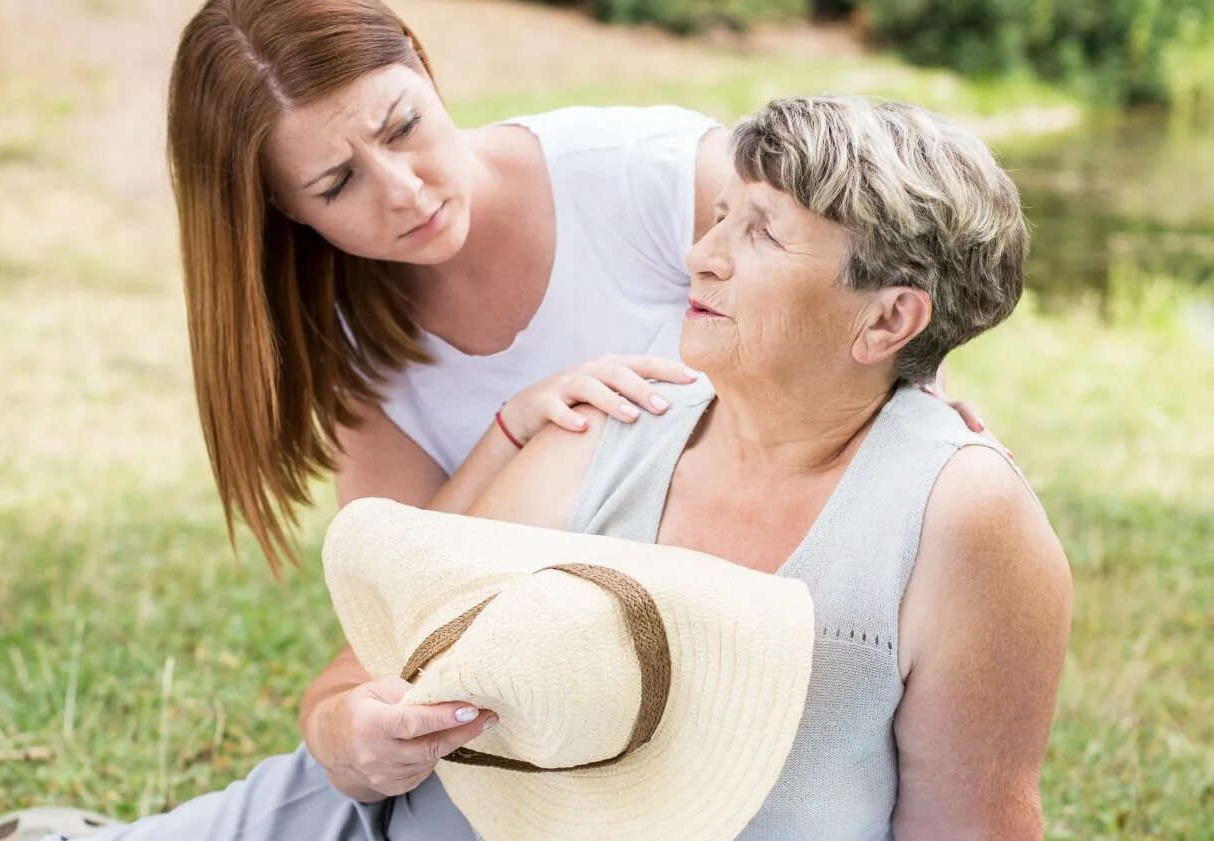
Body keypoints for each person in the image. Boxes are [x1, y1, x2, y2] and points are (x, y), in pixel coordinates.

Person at [0, 0, 982, 838]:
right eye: (337, 184)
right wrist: (513, 434)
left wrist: (913, 409)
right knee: (345, 792)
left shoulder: (641, 174)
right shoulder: (347, 343)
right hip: (523, 705)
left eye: (402, 124)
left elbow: (853, 285)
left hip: (698, 666)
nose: (405, 188)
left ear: (420, 60)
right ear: (284, 213)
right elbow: (399, 609)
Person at [453, 95, 1073, 839]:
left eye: (762, 234)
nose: (701, 255)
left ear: (886, 320)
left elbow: (968, 826)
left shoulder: (961, 515)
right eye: (720, 216)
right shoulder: (610, 427)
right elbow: (400, 651)